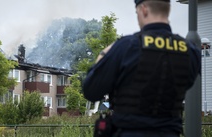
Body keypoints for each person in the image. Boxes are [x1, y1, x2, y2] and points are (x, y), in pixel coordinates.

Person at [83, 0, 201, 137]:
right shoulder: (191, 52)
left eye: (137, 12)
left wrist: (103, 55)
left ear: (144, 10)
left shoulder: (126, 47)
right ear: (167, 9)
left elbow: (91, 91)